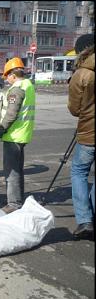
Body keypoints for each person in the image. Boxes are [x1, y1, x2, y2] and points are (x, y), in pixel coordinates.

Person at [0, 57, 35, 214]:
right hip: (22, 134)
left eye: (7, 77)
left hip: (13, 135)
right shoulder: (27, 85)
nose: (7, 80)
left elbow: (11, 113)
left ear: (13, 74)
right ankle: (19, 200)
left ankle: (13, 204)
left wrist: (0, 129)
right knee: (17, 169)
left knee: (11, 171)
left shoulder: (17, 88)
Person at [68, 33, 95, 240]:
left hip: (89, 133)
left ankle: (85, 221)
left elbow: (74, 109)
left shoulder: (82, 74)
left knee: (79, 171)